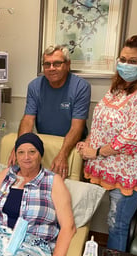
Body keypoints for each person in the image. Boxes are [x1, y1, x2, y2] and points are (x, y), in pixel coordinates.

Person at [77, 34, 137, 252]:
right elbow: (100, 118)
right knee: (114, 223)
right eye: (123, 59)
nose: (126, 65)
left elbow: (134, 138)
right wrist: (88, 142)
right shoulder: (120, 85)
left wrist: (96, 151)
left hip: (132, 173)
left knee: (117, 226)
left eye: (133, 61)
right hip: (113, 168)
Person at [9, 44, 91, 179]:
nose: (51, 68)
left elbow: (77, 126)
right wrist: (20, 145)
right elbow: (28, 119)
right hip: (44, 142)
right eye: (47, 64)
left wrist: (63, 154)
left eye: (57, 63)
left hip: (71, 146)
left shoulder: (81, 87)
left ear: (68, 64)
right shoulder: (35, 86)